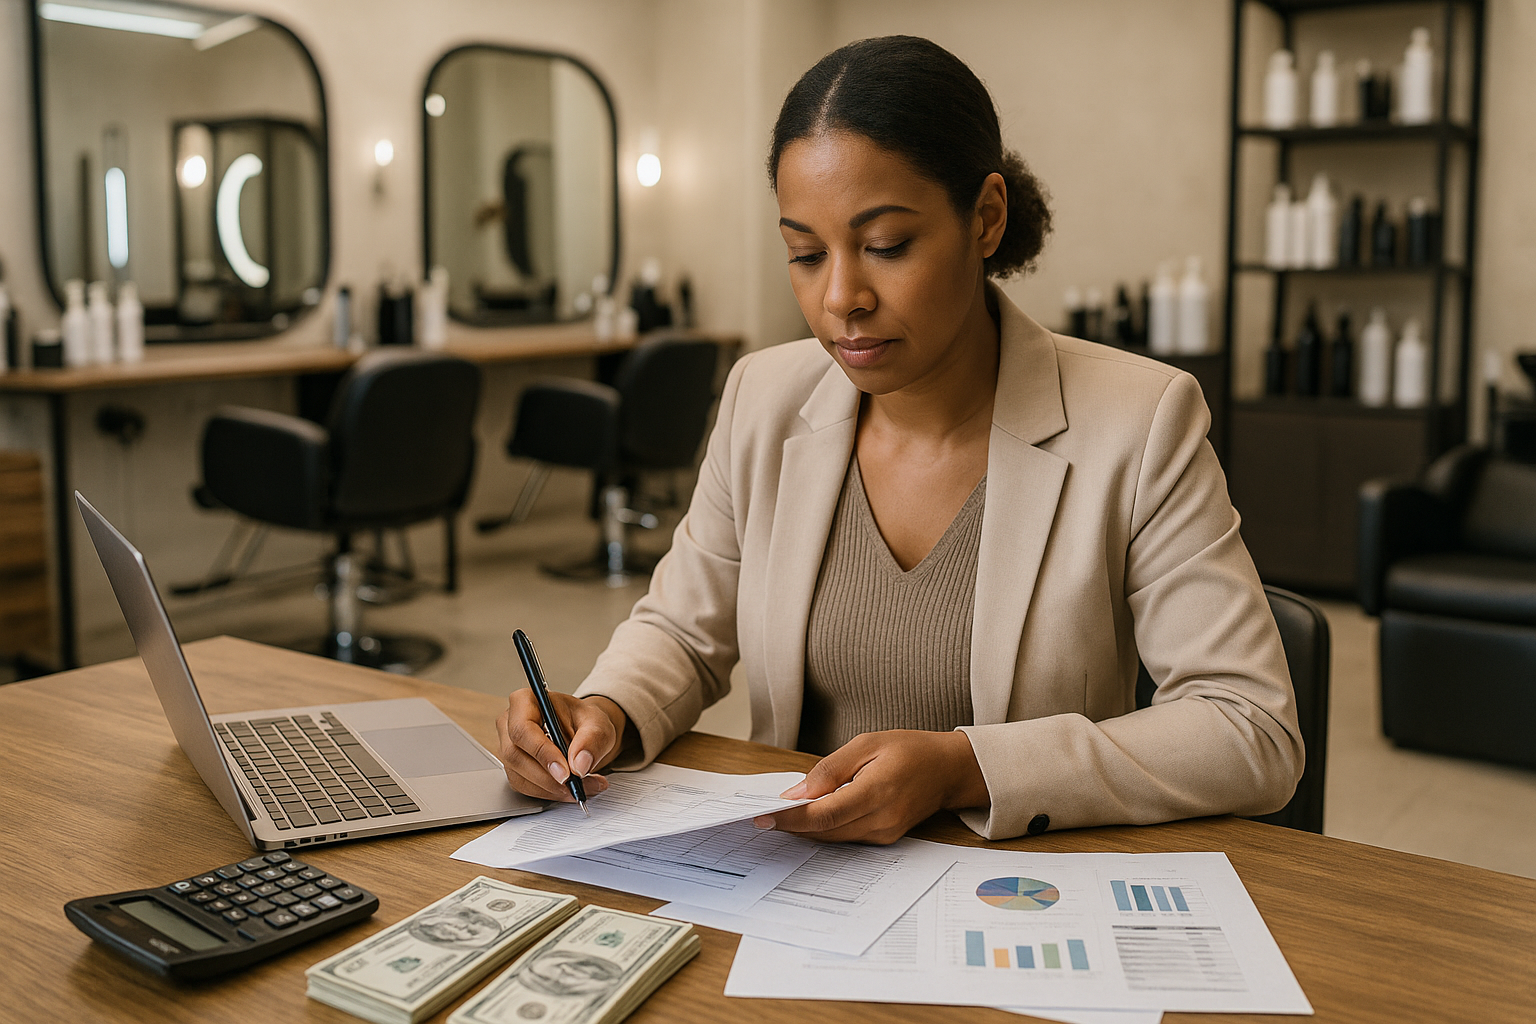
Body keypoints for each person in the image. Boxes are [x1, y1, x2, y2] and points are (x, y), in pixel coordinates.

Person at [495, 35, 1302, 843]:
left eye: (886, 247)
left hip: (1018, 897)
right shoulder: (763, 399)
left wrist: (968, 766)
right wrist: (602, 710)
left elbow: (1248, 727)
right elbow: (683, 630)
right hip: (802, 887)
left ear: (985, 218)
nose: (842, 296)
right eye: (805, 254)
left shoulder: (1140, 421)